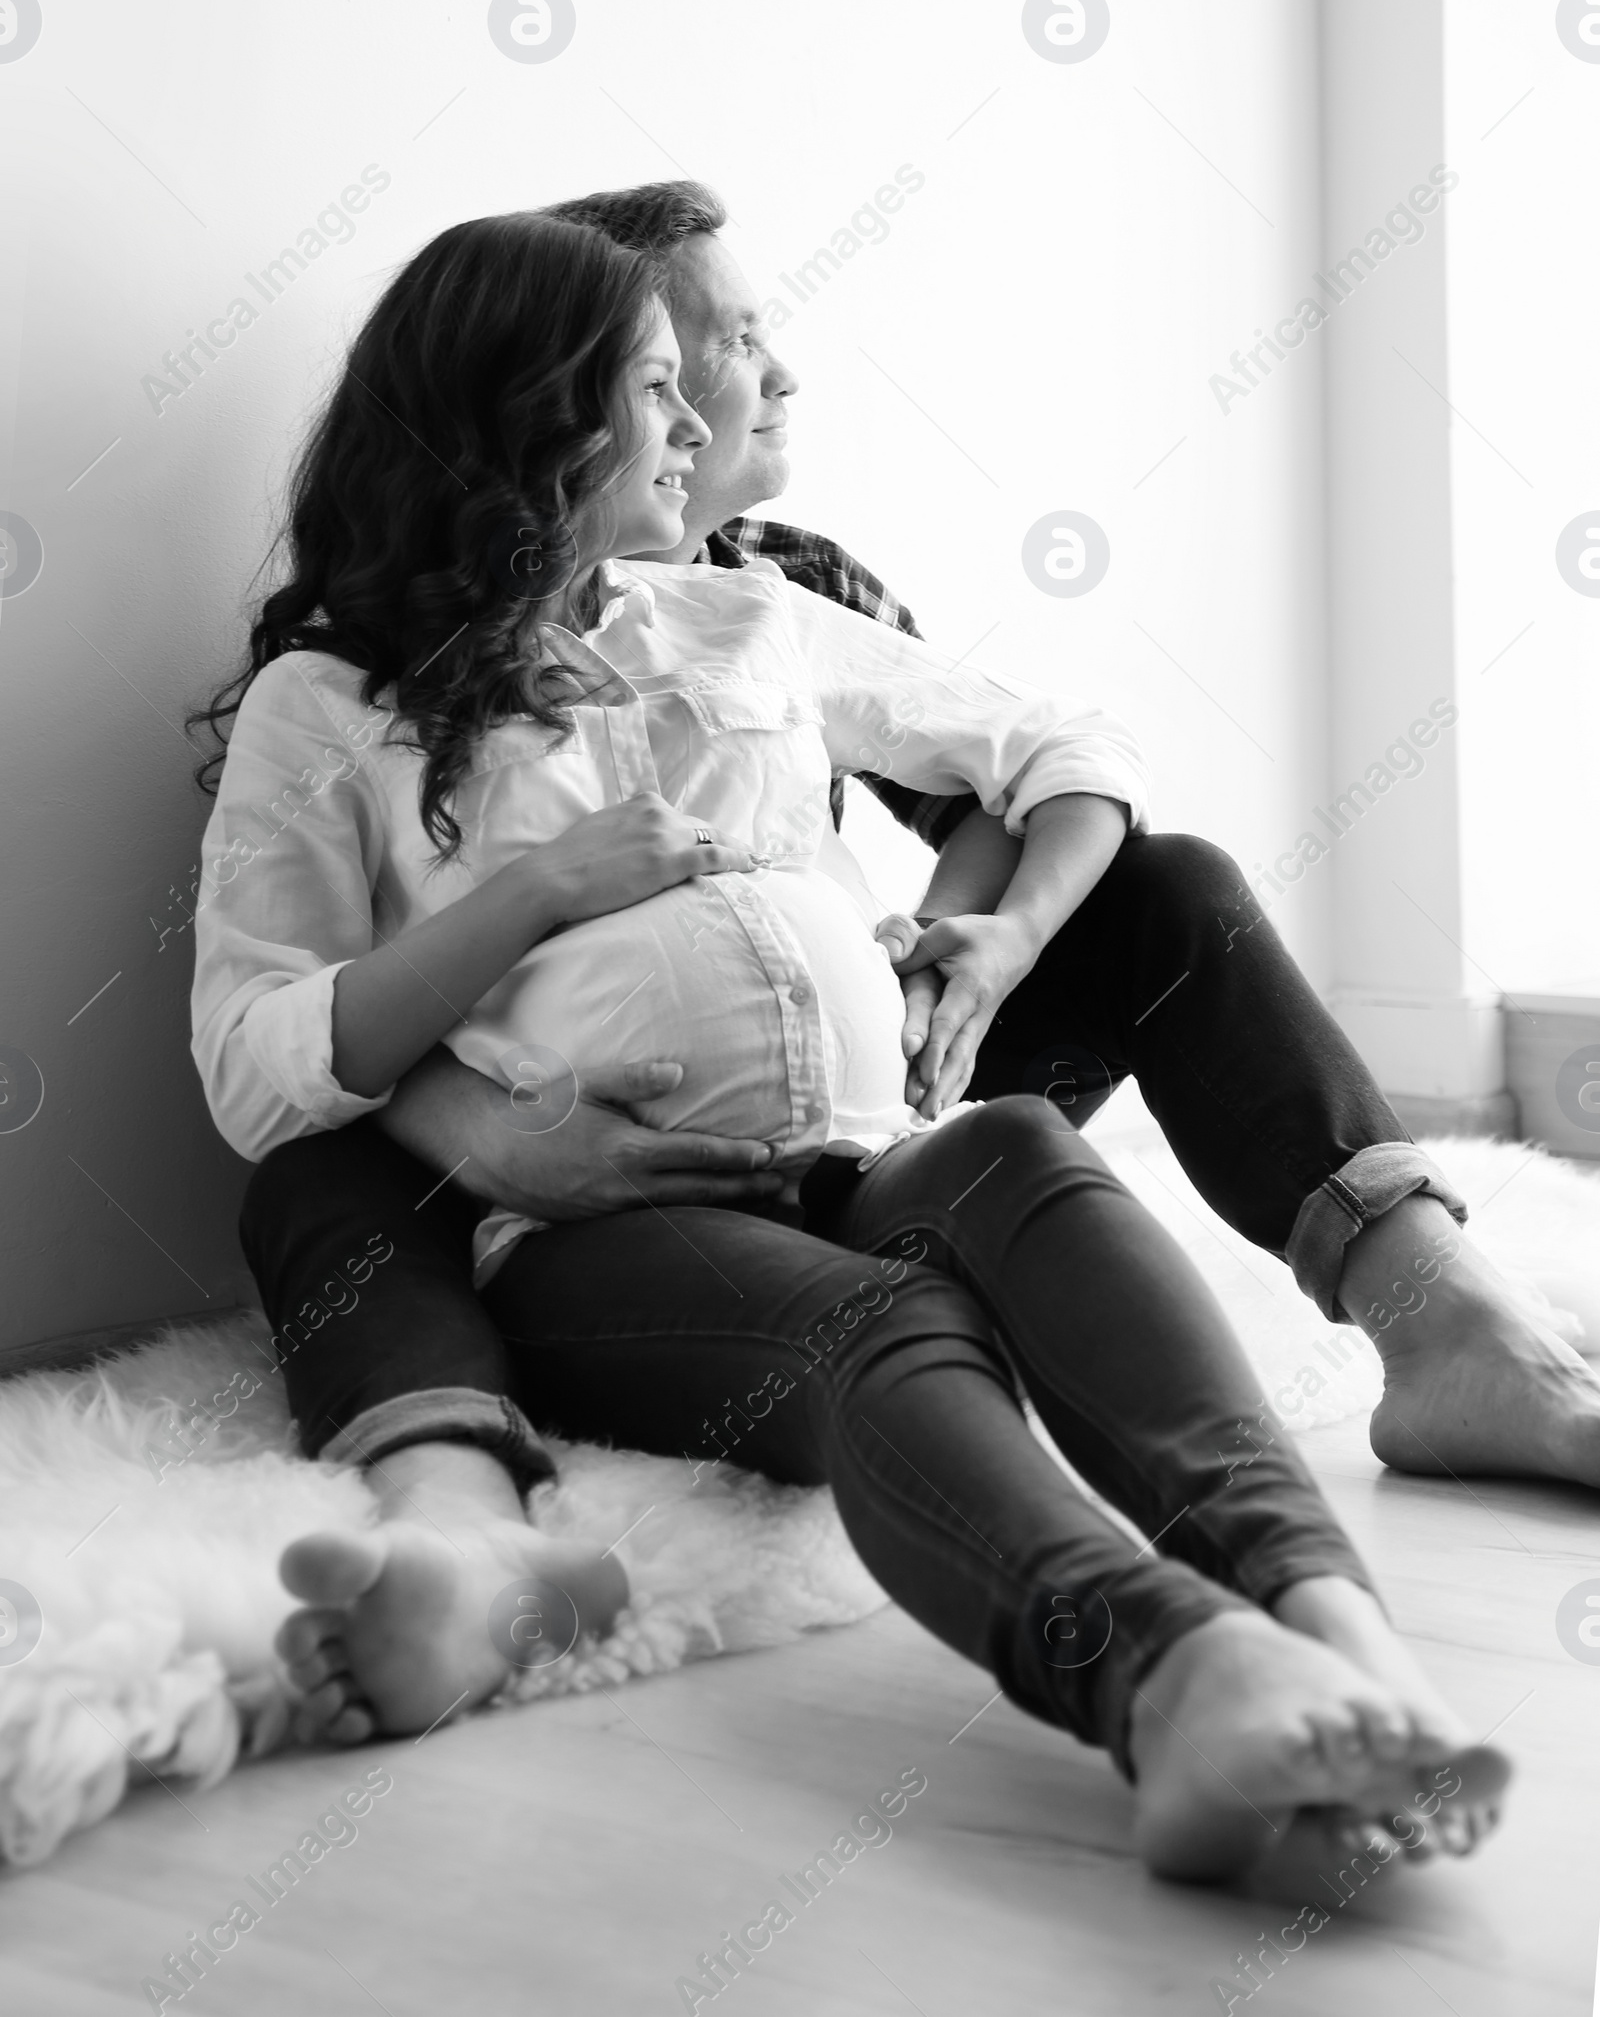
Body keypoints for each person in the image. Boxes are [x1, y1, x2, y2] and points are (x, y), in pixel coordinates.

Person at [190, 207, 1508, 1886]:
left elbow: (1047, 739)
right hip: (611, 1221)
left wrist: (984, 945)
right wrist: (526, 897)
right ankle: (1173, 1675)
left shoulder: (739, 615)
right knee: (892, 1319)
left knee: (1026, 1152)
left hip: (871, 1144)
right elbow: (253, 1051)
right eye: (660, 384)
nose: (700, 423)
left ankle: (1335, 1619)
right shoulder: (330, 707)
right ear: (537, 416)